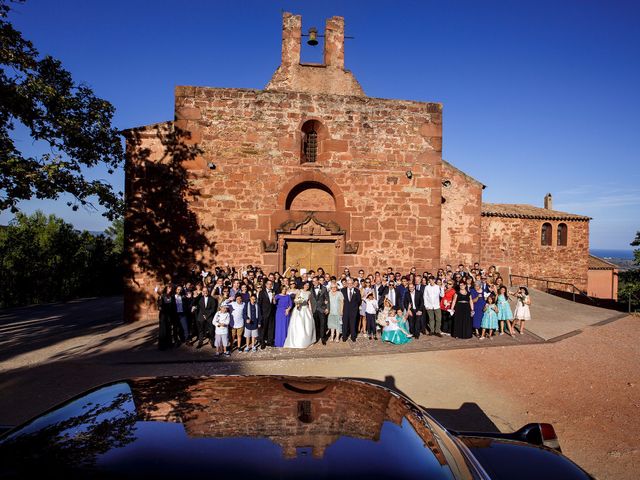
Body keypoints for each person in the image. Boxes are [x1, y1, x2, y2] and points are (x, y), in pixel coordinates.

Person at [283, 282, 316, 348]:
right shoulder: (299, 291)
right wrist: (298, 303)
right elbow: (295, 299)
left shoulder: (309, 293)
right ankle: (298, 340)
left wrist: (310, 310)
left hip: (306, 309)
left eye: (308, 285)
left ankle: (308, 340)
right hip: (299, 309)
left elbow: (309, 302)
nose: (306, 286)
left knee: (307, 325)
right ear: (303, 285)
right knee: (299, 325)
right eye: (305, 285)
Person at [310, 276, 330, 344]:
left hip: (322, 309)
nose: (314, 282)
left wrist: (327, 308)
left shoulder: (324, 288)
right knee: (315, 324)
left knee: (323, 324)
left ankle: (323, 338)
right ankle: (315, 338)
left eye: (316, 280)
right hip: (314, 309)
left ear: (318, 281)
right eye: (313, 281)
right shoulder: (310, 288)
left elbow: (327, 299)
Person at [341, 277, 361, 342]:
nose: (350, 284)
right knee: (345, 324)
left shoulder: (357, 291)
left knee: (353, 324)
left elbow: (359, 301)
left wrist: (355, 307)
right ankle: (344, 337)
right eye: (348, 283)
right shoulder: (342, 290)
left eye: (351, 283)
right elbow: (341, 301)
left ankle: (353, 337)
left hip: (354, 310)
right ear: (346, 283)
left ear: (353, 284)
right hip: (345, 310)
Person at [258, 279, 276, 348]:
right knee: (263, 328)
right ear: (265, 285)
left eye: (271, 284)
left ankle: (270, 341)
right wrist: (261, 314)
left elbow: (273, 303)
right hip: (264, 313)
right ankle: (262, 342)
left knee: (271, 328)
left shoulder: (273, 292)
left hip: (271, 313)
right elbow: (259, 304)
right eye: (268, 284)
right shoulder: (261, 292)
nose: (270, 285)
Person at [157, 285, 176, 350]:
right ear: (166, 289)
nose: (170, 289)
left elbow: (173, 306)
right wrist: (159, 303)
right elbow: (159, 306)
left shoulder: (172, 296)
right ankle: (162, 345)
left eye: (171, 288)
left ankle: (169, 344)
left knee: (169, 329)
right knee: (163, 330)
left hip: (169, 315)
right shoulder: (162, 296)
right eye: (168, 288)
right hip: (163, 315)